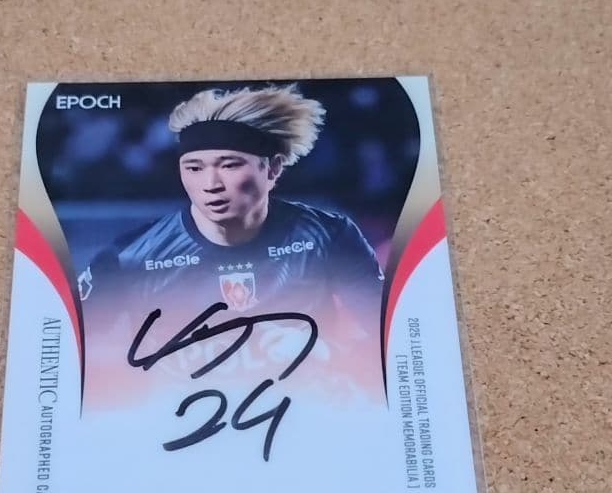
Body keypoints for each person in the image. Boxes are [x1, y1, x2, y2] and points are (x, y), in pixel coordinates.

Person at [78, 84, 383, 329]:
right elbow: (70, 344)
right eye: (194, 168)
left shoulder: (328, 236)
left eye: (229, 165)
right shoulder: (130, 256)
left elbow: (386, 333)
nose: (211, 183)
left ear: (273, 168)